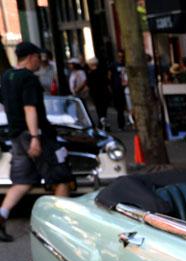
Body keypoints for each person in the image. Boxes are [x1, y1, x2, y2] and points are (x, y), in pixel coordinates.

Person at [0, 42, 74, 241]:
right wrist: (35, 137)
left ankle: (1, 216)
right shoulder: (29, 79)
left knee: (23, 181)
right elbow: (30, 108)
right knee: (61, 176)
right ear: (31, 57)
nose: (40, 62)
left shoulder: (7, 76)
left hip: (16, 135)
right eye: (38, 58)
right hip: (36, 134)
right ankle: (61, 228)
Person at [86, 58, 110, 129]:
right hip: (104, 93)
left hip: (96, 94)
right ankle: (104, 123)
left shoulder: (90, 74)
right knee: (103, 110)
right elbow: (107, 82)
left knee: (99, 110)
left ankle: (102, 123)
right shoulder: (102, 72)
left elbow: (88, 84)